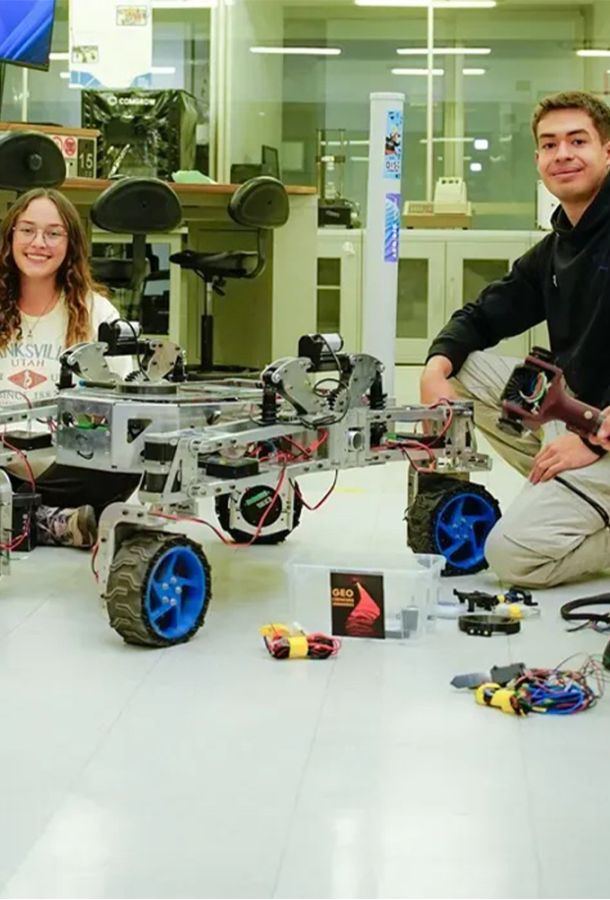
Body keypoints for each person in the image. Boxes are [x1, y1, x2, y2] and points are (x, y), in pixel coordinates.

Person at [420, 90, 610, 588]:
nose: (562, 154)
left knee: (511, 556)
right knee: (463, 369)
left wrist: (592, 440)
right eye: (549, 144)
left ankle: (583, 502)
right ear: (538, 159)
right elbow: (483, 314)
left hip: (603, 429)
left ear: (608, 151)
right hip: (583, 416)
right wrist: (435, 367)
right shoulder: (558, 247)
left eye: (578, 141)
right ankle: (569, 488)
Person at [0, 187, 140, 548]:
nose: (38, 243)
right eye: (27, 230)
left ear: (71, 244)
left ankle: (20, 516)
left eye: (53, 233)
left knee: (126, 464)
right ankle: (52, 522)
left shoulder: (98, 313)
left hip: (70, 468)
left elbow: (126, 406)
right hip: (2, 464)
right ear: (10, 237)